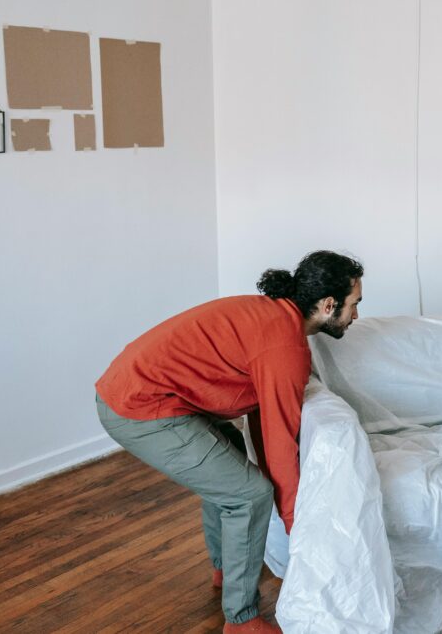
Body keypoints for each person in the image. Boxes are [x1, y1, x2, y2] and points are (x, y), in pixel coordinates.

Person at [95, 250, 364, 633]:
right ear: (328, 305)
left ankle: (226, 568)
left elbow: (264, 421)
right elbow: (280, 441)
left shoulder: (275, 318)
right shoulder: (285, 346)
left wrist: (288, 511)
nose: (356, 316)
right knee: (248, 494)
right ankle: (241, 620)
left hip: (139, 391)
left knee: (231, 464)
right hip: (138, 406)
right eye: (354, 304)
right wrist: (295, 524)